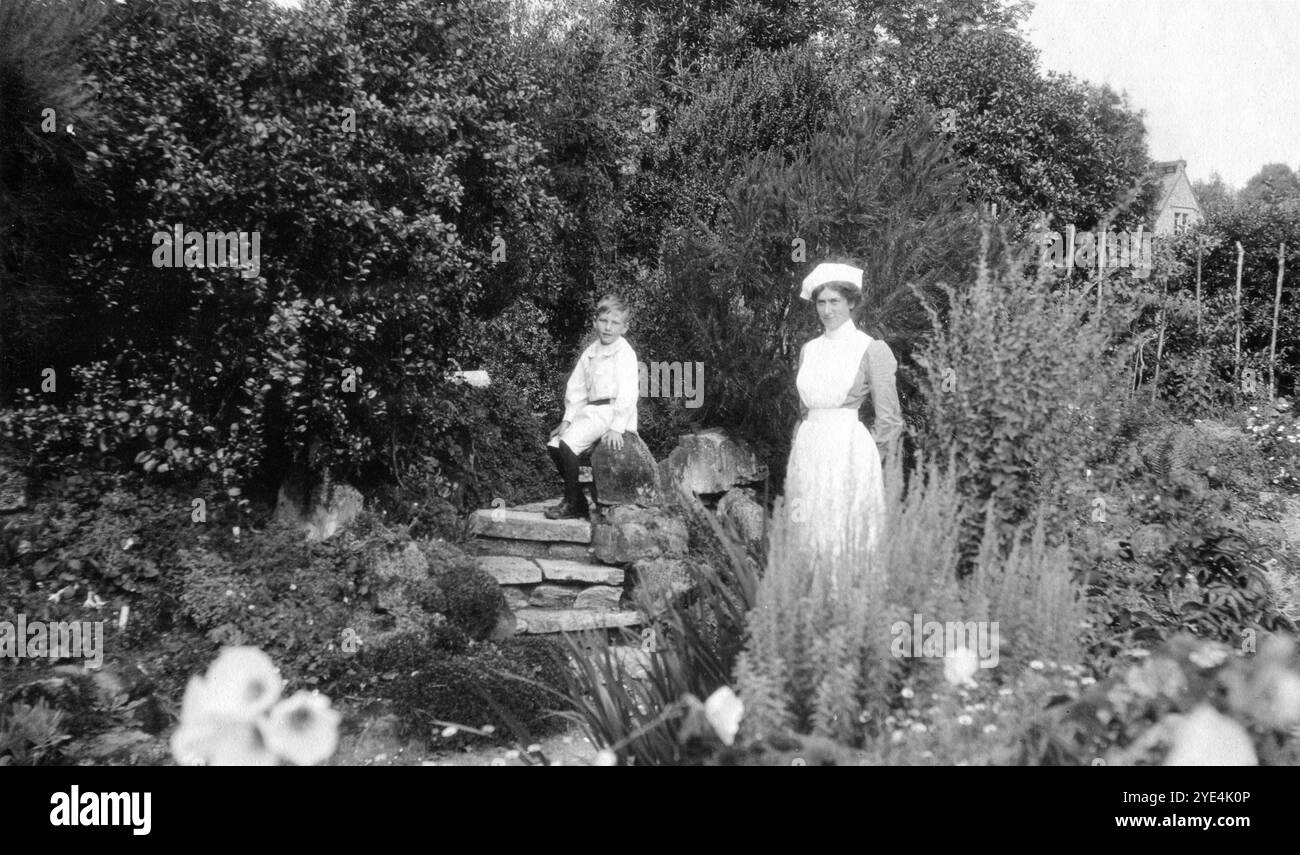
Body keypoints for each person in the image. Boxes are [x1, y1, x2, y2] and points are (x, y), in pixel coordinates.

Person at [784, 262, 904, 575]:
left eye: (835, 301)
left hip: (849, 451)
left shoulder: (870, 349)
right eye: (821, 302)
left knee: (843, 533)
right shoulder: (809, 350)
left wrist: (865, 459)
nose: (827, 310)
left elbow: (890, 419)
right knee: (809, 530)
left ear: (851, 302)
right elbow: (804, 410)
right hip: (809, 450)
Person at [544, 294, 640, 520]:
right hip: (591, 410)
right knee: (555, 445)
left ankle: (571, 503)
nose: (608, 328)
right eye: (604, 321)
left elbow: (628, 391)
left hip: (611, 411)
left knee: (568, 444)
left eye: (615, 323)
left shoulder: (624, 353)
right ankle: (576, 499)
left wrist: (617, 426)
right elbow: (577, 388)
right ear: (595, 321)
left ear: (624, 328)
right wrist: (567, 419)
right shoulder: (591, 351)